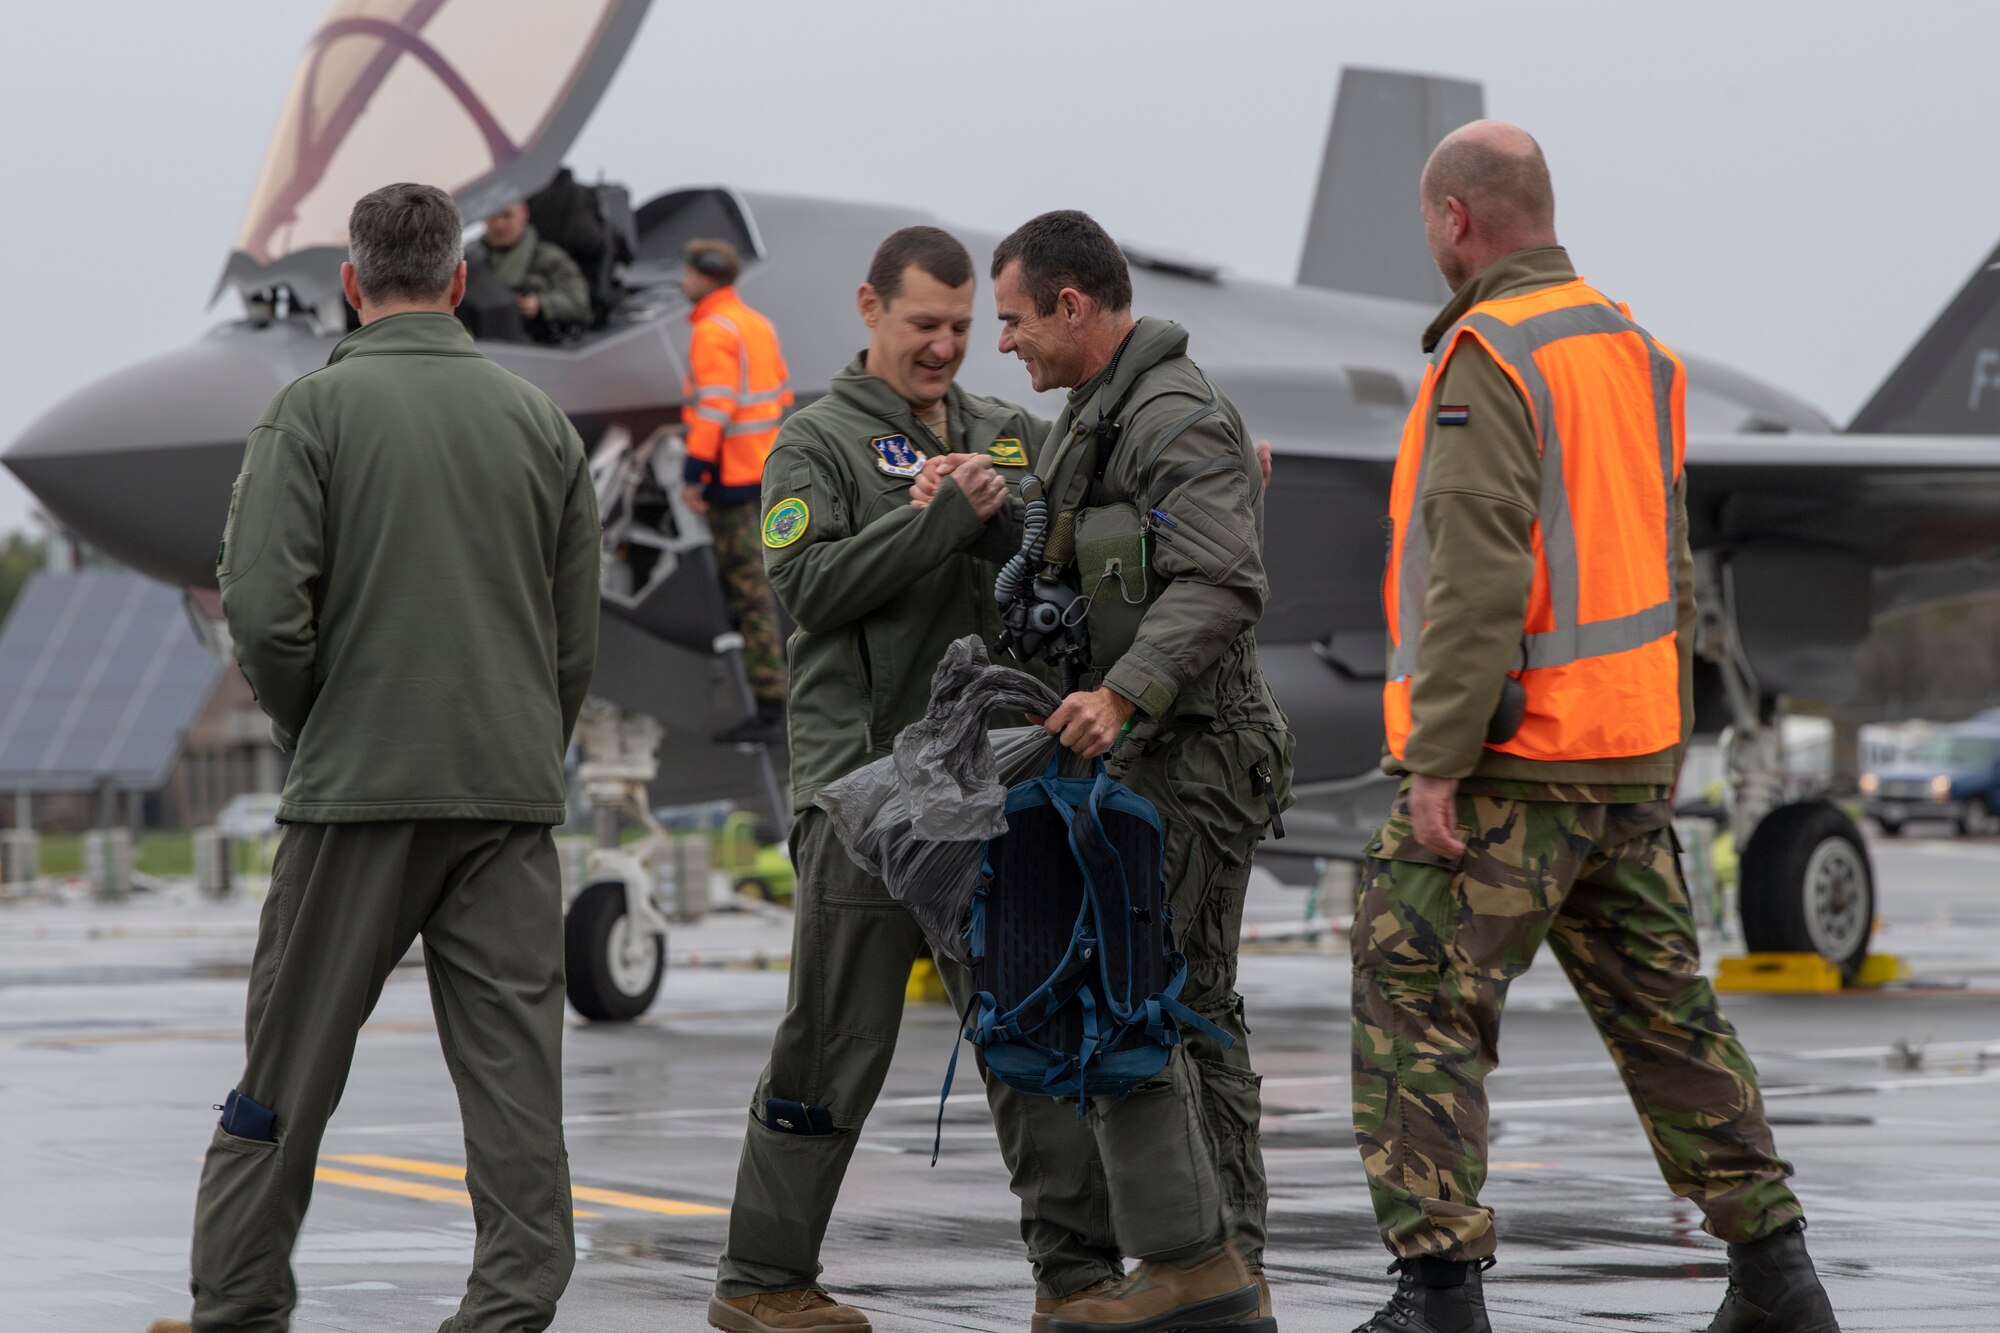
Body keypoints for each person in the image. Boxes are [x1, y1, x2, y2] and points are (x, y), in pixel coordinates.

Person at [1350, 121, 1840, 1333]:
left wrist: (1437, 760)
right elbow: (1667, 568)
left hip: (1516, 761)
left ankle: (1437, 1293)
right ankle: (1776, 1277)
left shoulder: (1489, 351)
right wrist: (1663, 741)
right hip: (1622, 758)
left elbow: (1472, 577)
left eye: (1427, 223)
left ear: (1455, 219)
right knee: (1665, 1013)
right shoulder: (1633, 349)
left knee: (1411, 983)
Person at [147, 182, 601, 1333]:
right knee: (514, 1086)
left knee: (283, 1077)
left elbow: (260, 611)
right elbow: (573, 633)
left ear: (351, 284)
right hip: (505, 797)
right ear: (458, 281)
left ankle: (240, 1306)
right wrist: (518, 745)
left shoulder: (310, 414)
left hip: (352, 796)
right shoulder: (538, 422)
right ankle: (504, 1312)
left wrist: (319, 733)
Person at [707, 226, 1130, 1333]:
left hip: (985, 788)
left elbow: (1067, 544)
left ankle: (1077, 1280)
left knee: (1028, 1024)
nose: (945, 347)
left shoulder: (1006, 435)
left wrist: (1006, 514)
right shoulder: (814, 443)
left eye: (959, 328)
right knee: (833, 1040)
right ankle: (762, 1279)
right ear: (868, 310)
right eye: (922, 326)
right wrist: (946, 514)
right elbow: (808, 588)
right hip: (862, 793)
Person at [987, 209, 1295, 1333]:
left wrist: (1121, 693)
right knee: (1131, 998)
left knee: (1185, 1003)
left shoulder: (1170, 414)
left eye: (1015, 321)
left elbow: (1221, 579)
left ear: (1073, 306)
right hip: (1140, 759)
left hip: (1196, 756)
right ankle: (1181, 1259)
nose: (1004, 344)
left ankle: (1227, 1266)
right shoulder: (1094, 420)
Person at [678, 238, 794, 744]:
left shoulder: (712, 329)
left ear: (705, 276)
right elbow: (781, 393)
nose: (682, 282)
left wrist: (693, 470)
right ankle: (773, 695)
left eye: (686, 273)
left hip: (729, 477)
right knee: (760, 587)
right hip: (763, 468)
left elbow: (716, 407)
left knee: (749, 594)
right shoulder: (757, 323)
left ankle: (772, 706)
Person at [465, 199, 591, 343]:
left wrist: (541, 304)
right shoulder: (470, 259)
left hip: (537, 346)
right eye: (492, 217)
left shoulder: (548, 257)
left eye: (507, 216)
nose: (500, 225)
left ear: (523, 213)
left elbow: (578, 301)